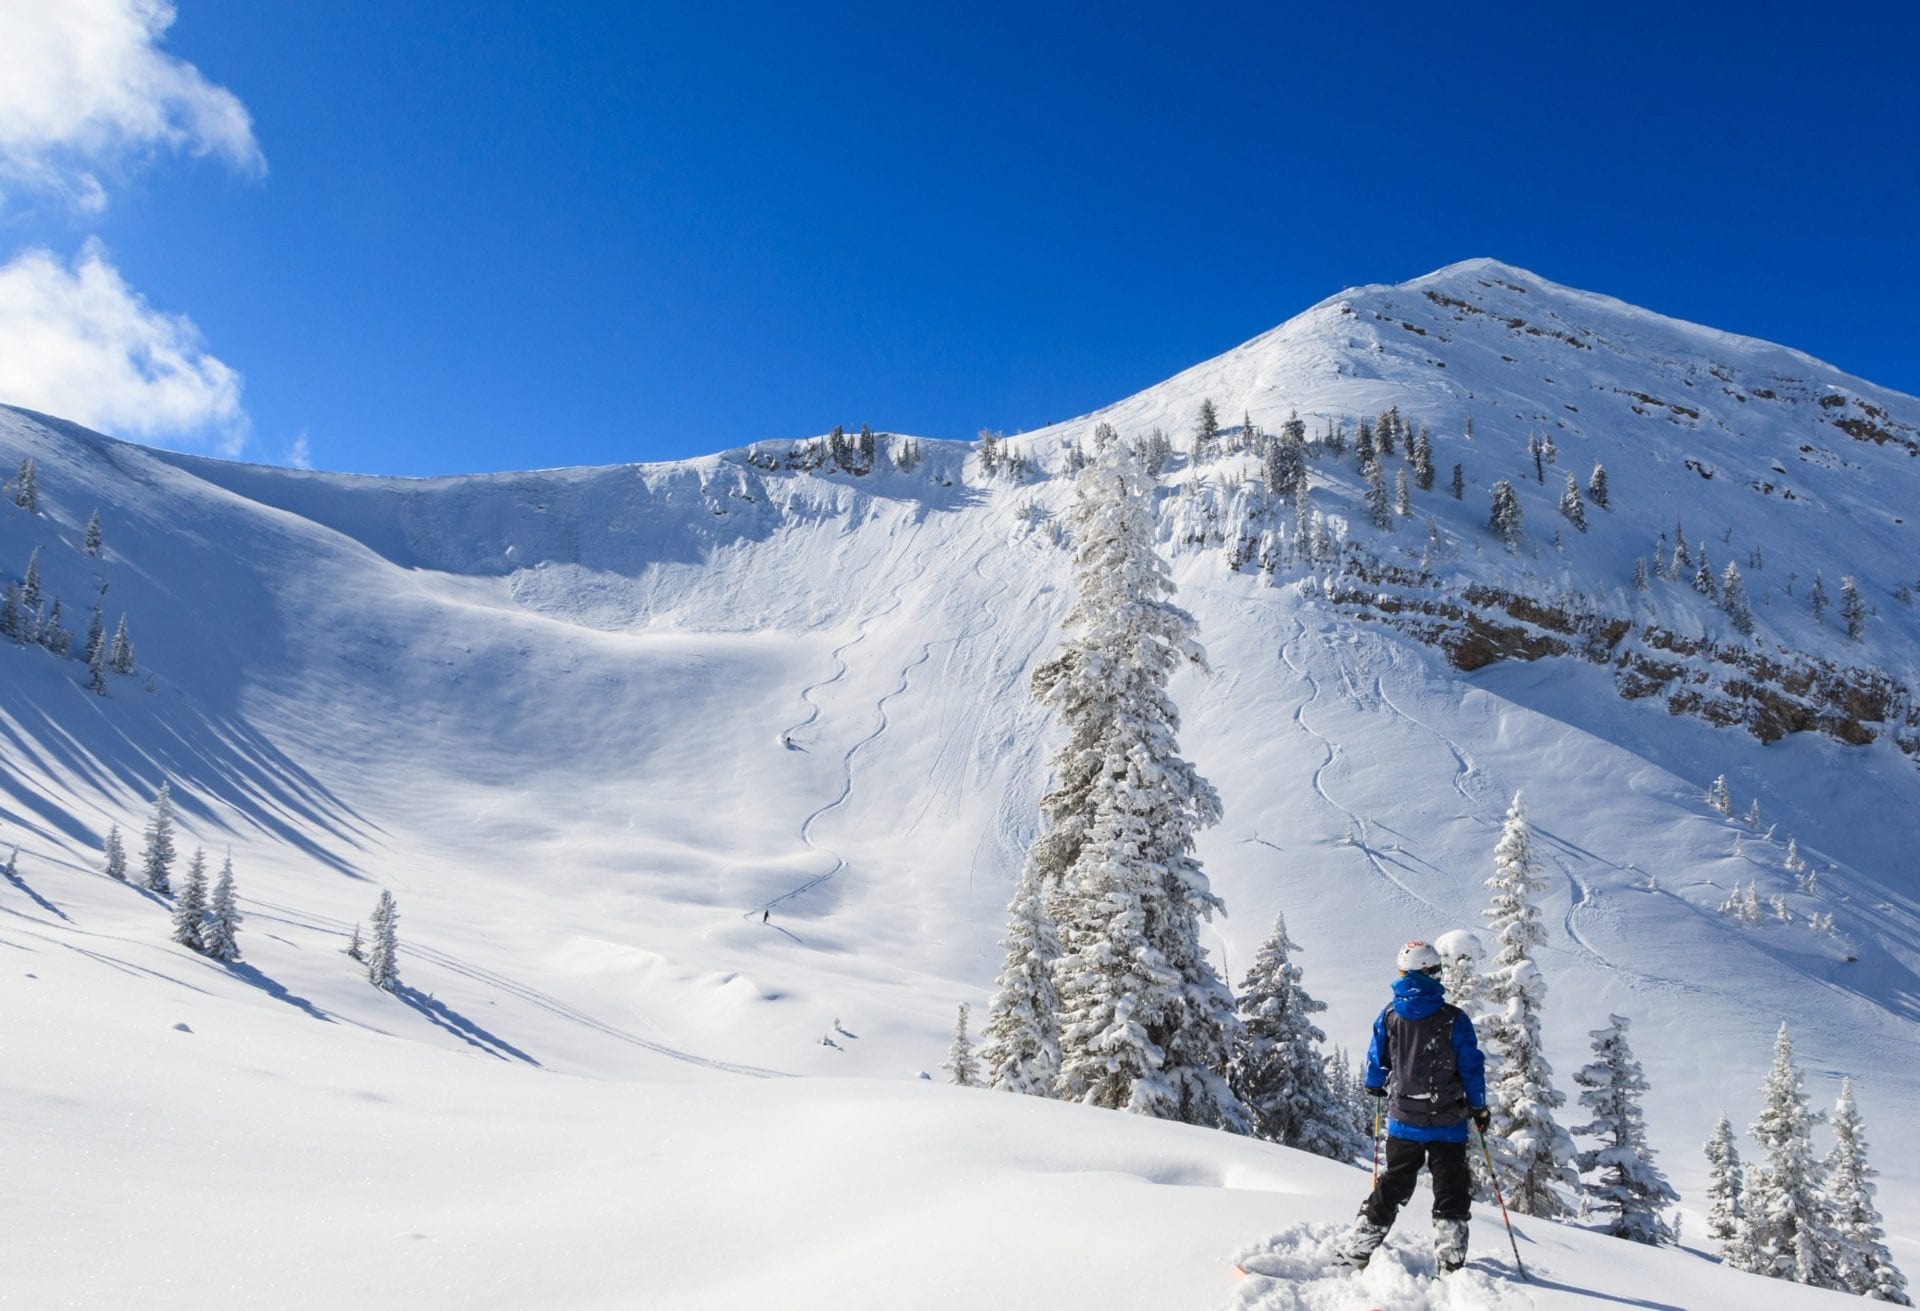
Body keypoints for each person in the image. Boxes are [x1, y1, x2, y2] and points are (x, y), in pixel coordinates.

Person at [1339, 939, 1488, 1274]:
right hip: (1447, 1121)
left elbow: (1377, 1059)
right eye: (1436, 970)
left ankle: (1359, 1248)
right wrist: (1479, 1108)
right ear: (1429, 972)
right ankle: (1450, 1262)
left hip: (1404, 1120)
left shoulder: (1390, 1015)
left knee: (1394, 1182)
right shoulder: (1454, 1019)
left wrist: (1375, 1084)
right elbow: (1471, 1067)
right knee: (1450, 1187)